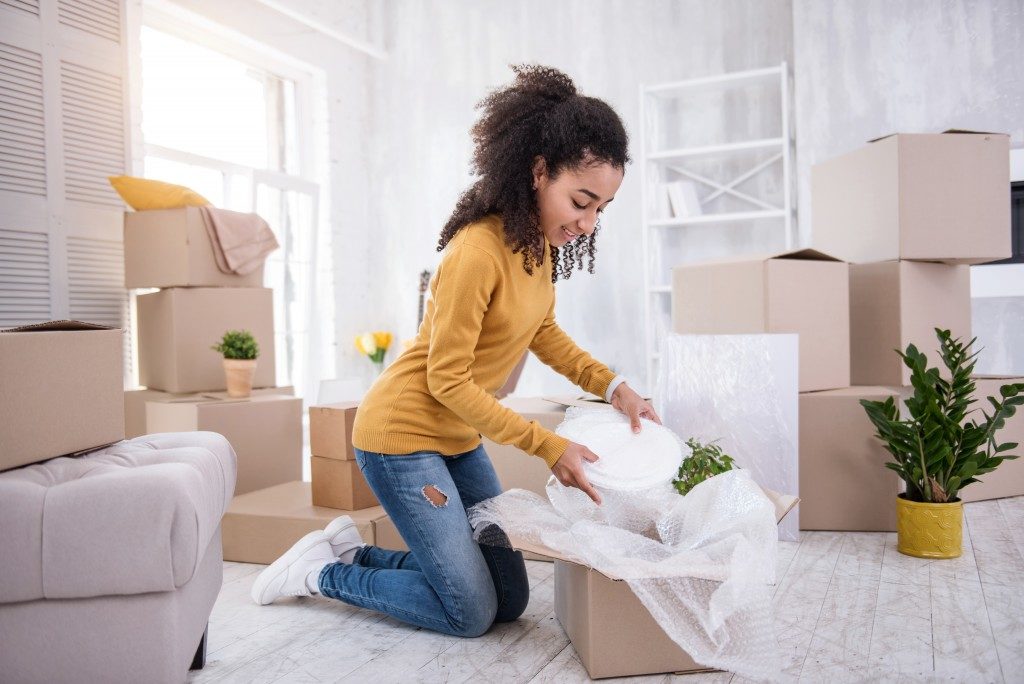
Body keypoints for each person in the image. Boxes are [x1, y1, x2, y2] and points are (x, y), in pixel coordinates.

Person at [250, 64, 660, 638]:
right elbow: (446, 382)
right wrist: (548, 446)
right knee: (468, 612)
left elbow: (544, 334)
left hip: (457, 440)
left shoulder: (538, 250)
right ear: (539, 172)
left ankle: (351, 554)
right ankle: (320, 573)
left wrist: (616, 388)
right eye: (582, 201)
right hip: (401, 438)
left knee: (509, 599)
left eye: (600, 210)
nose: (588, 224)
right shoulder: (477, 251)